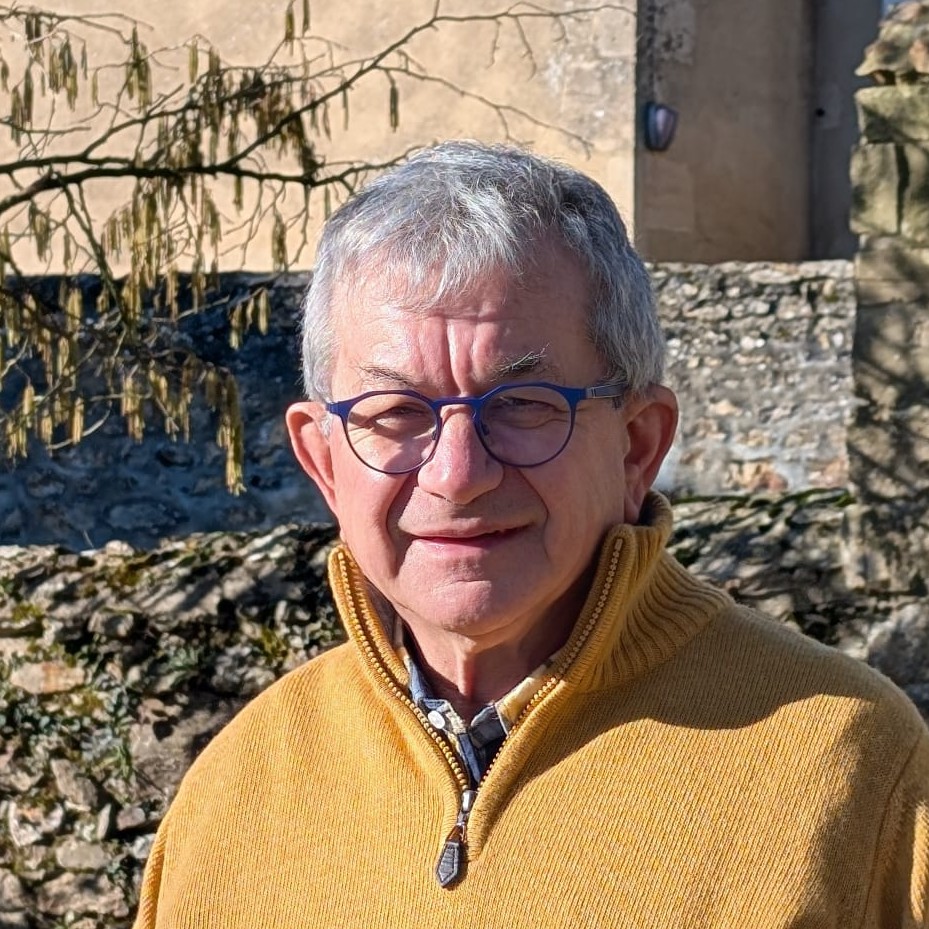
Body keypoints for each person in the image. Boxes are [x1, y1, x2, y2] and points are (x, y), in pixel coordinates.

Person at [134, 141, 929, 928]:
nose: (457, 474)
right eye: (396, 413)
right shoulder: (234, 794)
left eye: (521, 405)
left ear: (636, 445)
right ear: (323, 461)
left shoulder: (854, 769)